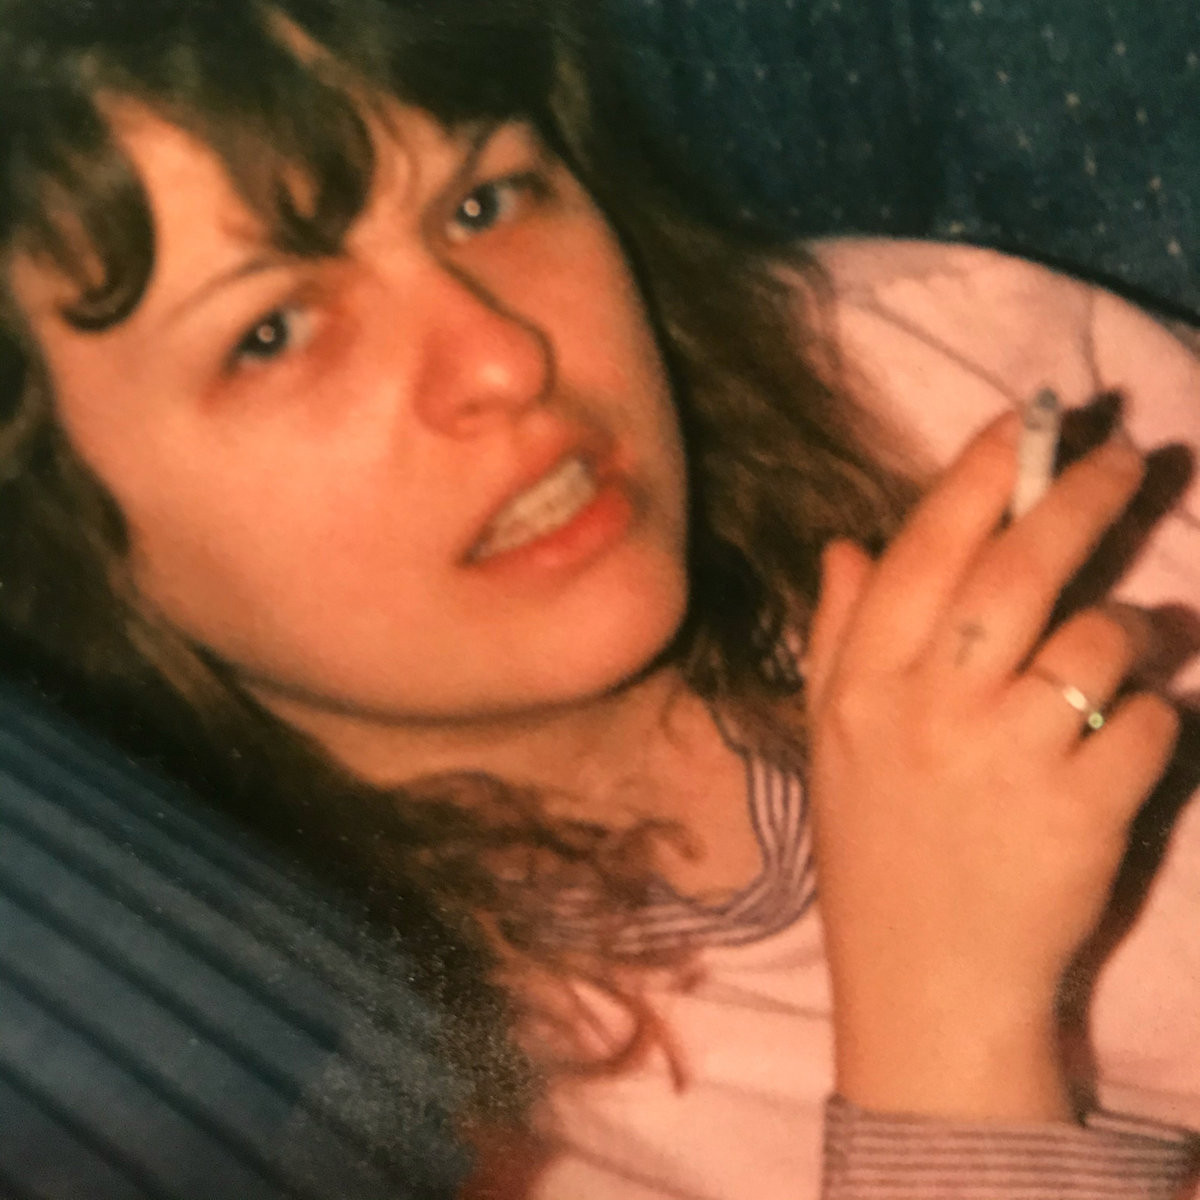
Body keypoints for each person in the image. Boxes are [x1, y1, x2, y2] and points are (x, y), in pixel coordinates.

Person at [0, 0, 1197, 1197]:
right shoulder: (386, 1136)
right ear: (49, 534)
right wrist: (951, 1052)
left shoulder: (938, 366)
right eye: (273, 332)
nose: (504, 356)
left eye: (484, 203)